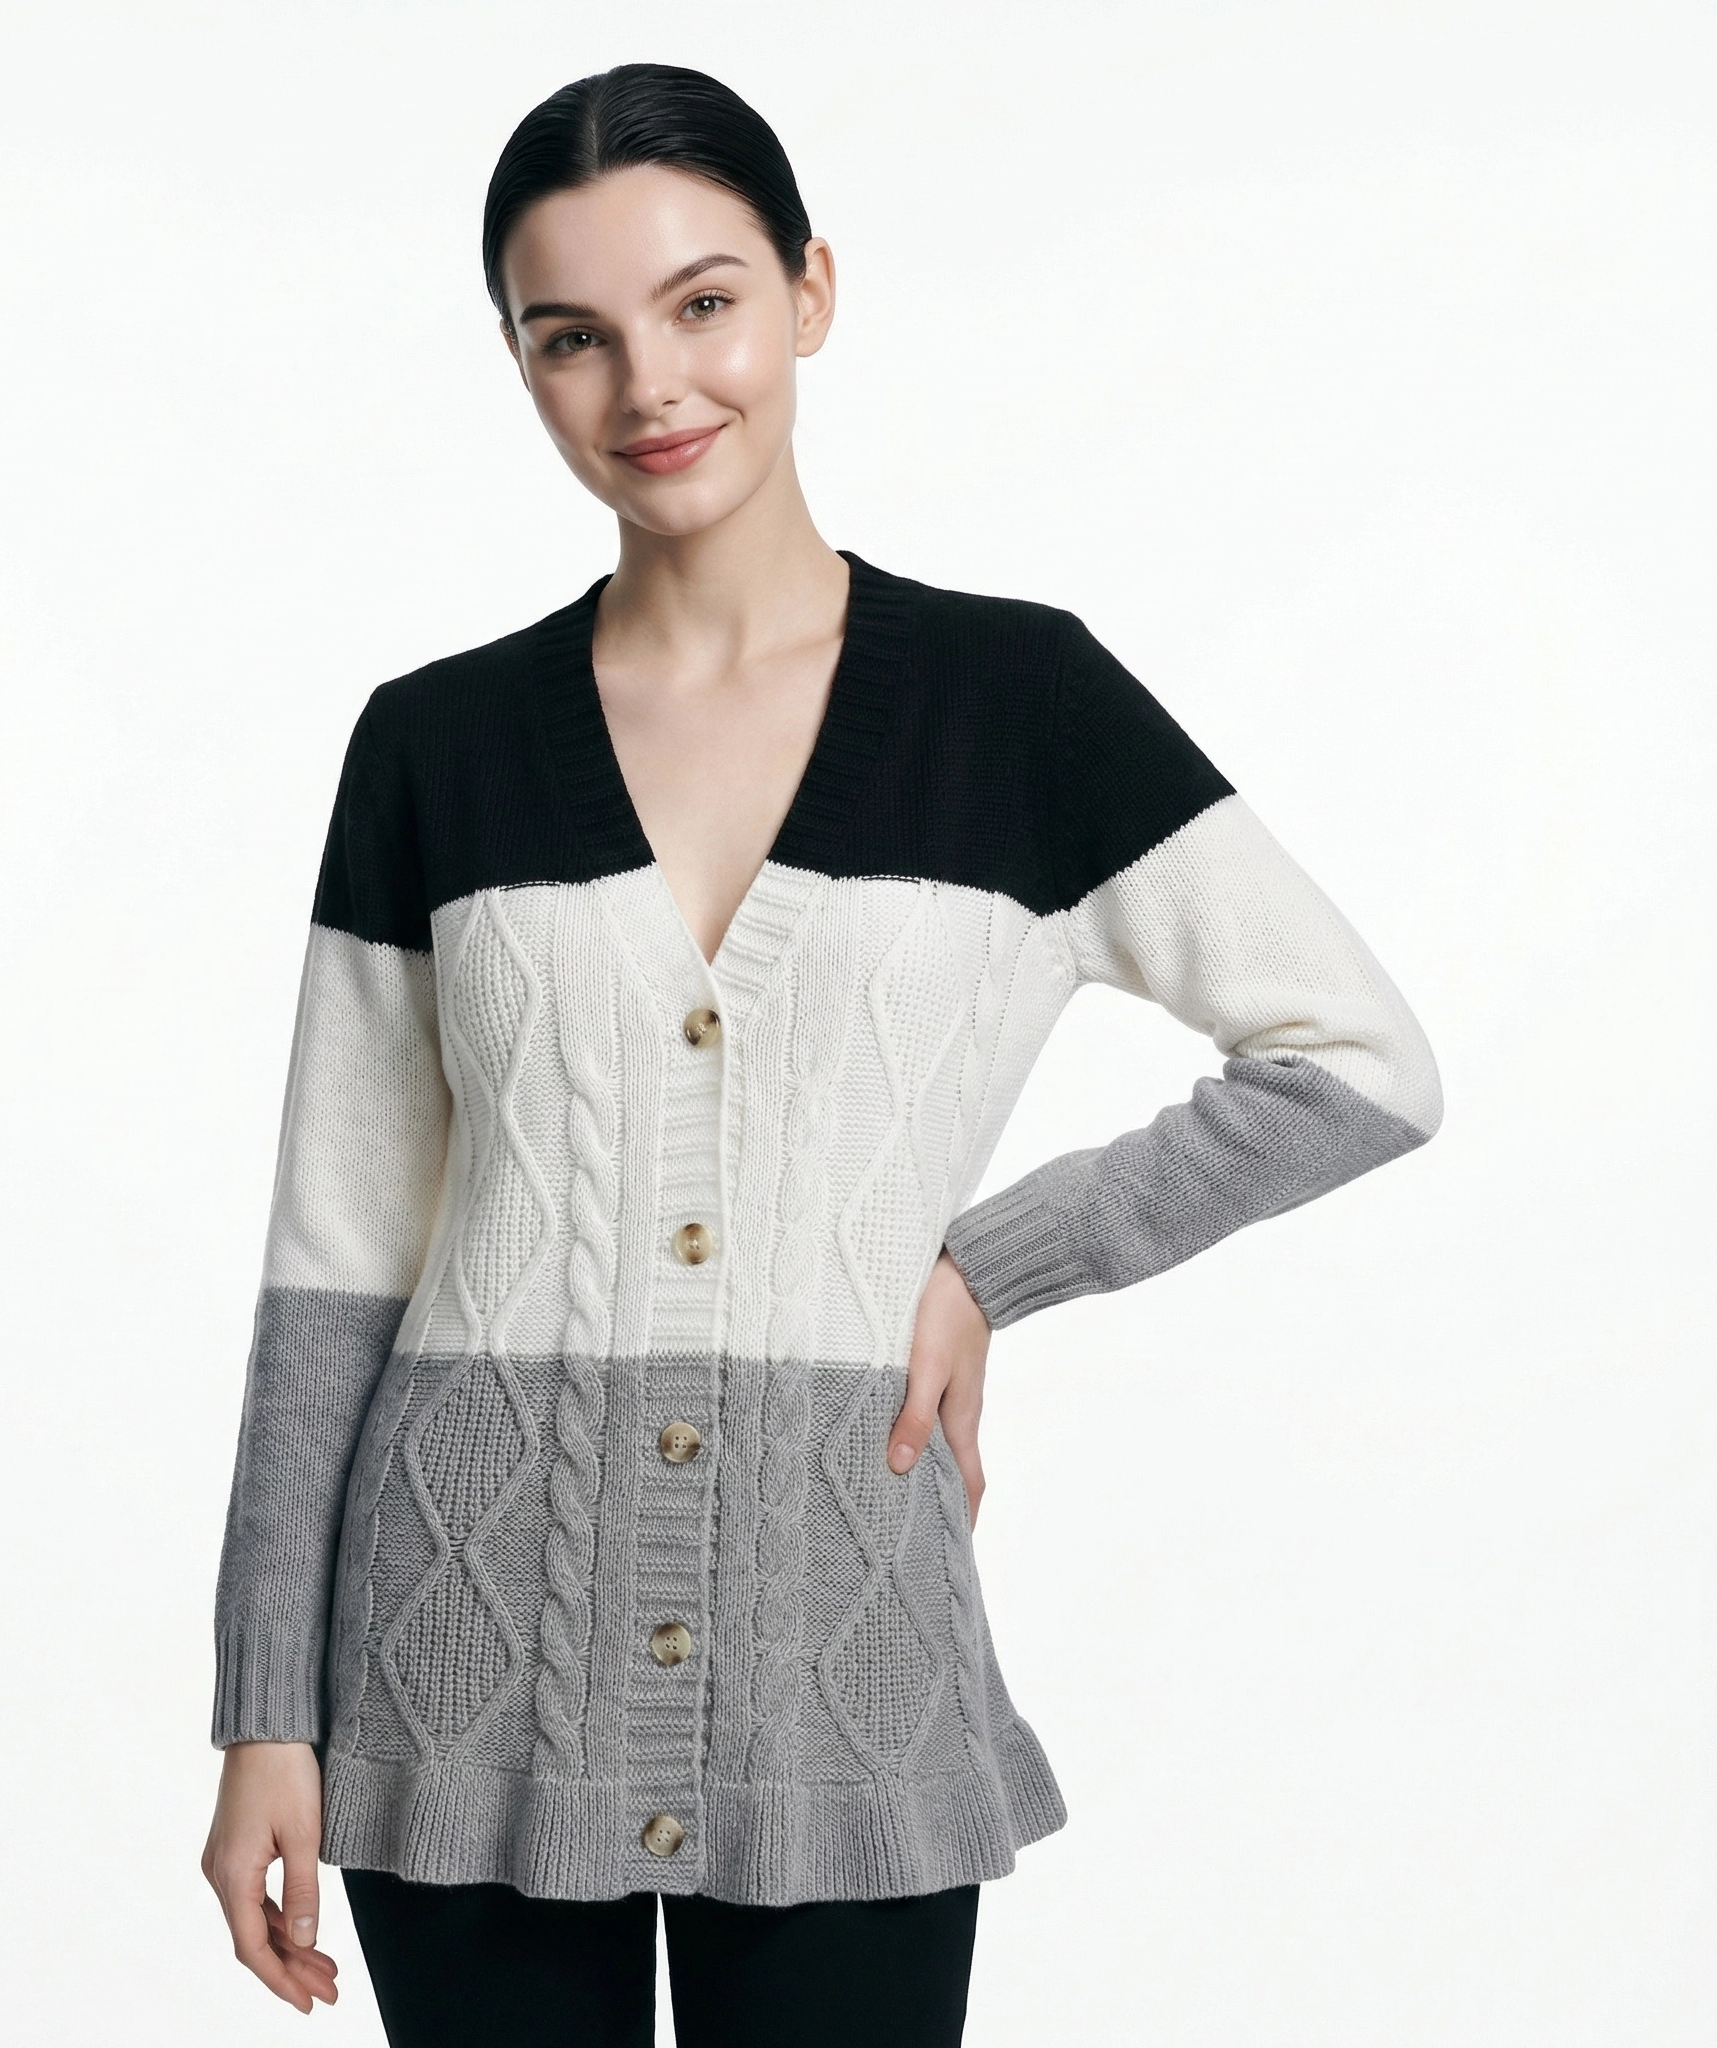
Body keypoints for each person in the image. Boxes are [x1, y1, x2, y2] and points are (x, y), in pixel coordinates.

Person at [198, 61, 1442, 2048]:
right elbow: (336, 1257)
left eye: (702, 303)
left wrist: (989, 1264)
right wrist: (266, 1704)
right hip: (456, 1652)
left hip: (841, 1660)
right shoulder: (435, 743)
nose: (649, 386)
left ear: (809, 293)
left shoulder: (1017, 703)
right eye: (571, 337)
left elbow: (1356, 1059)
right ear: (519, 366)